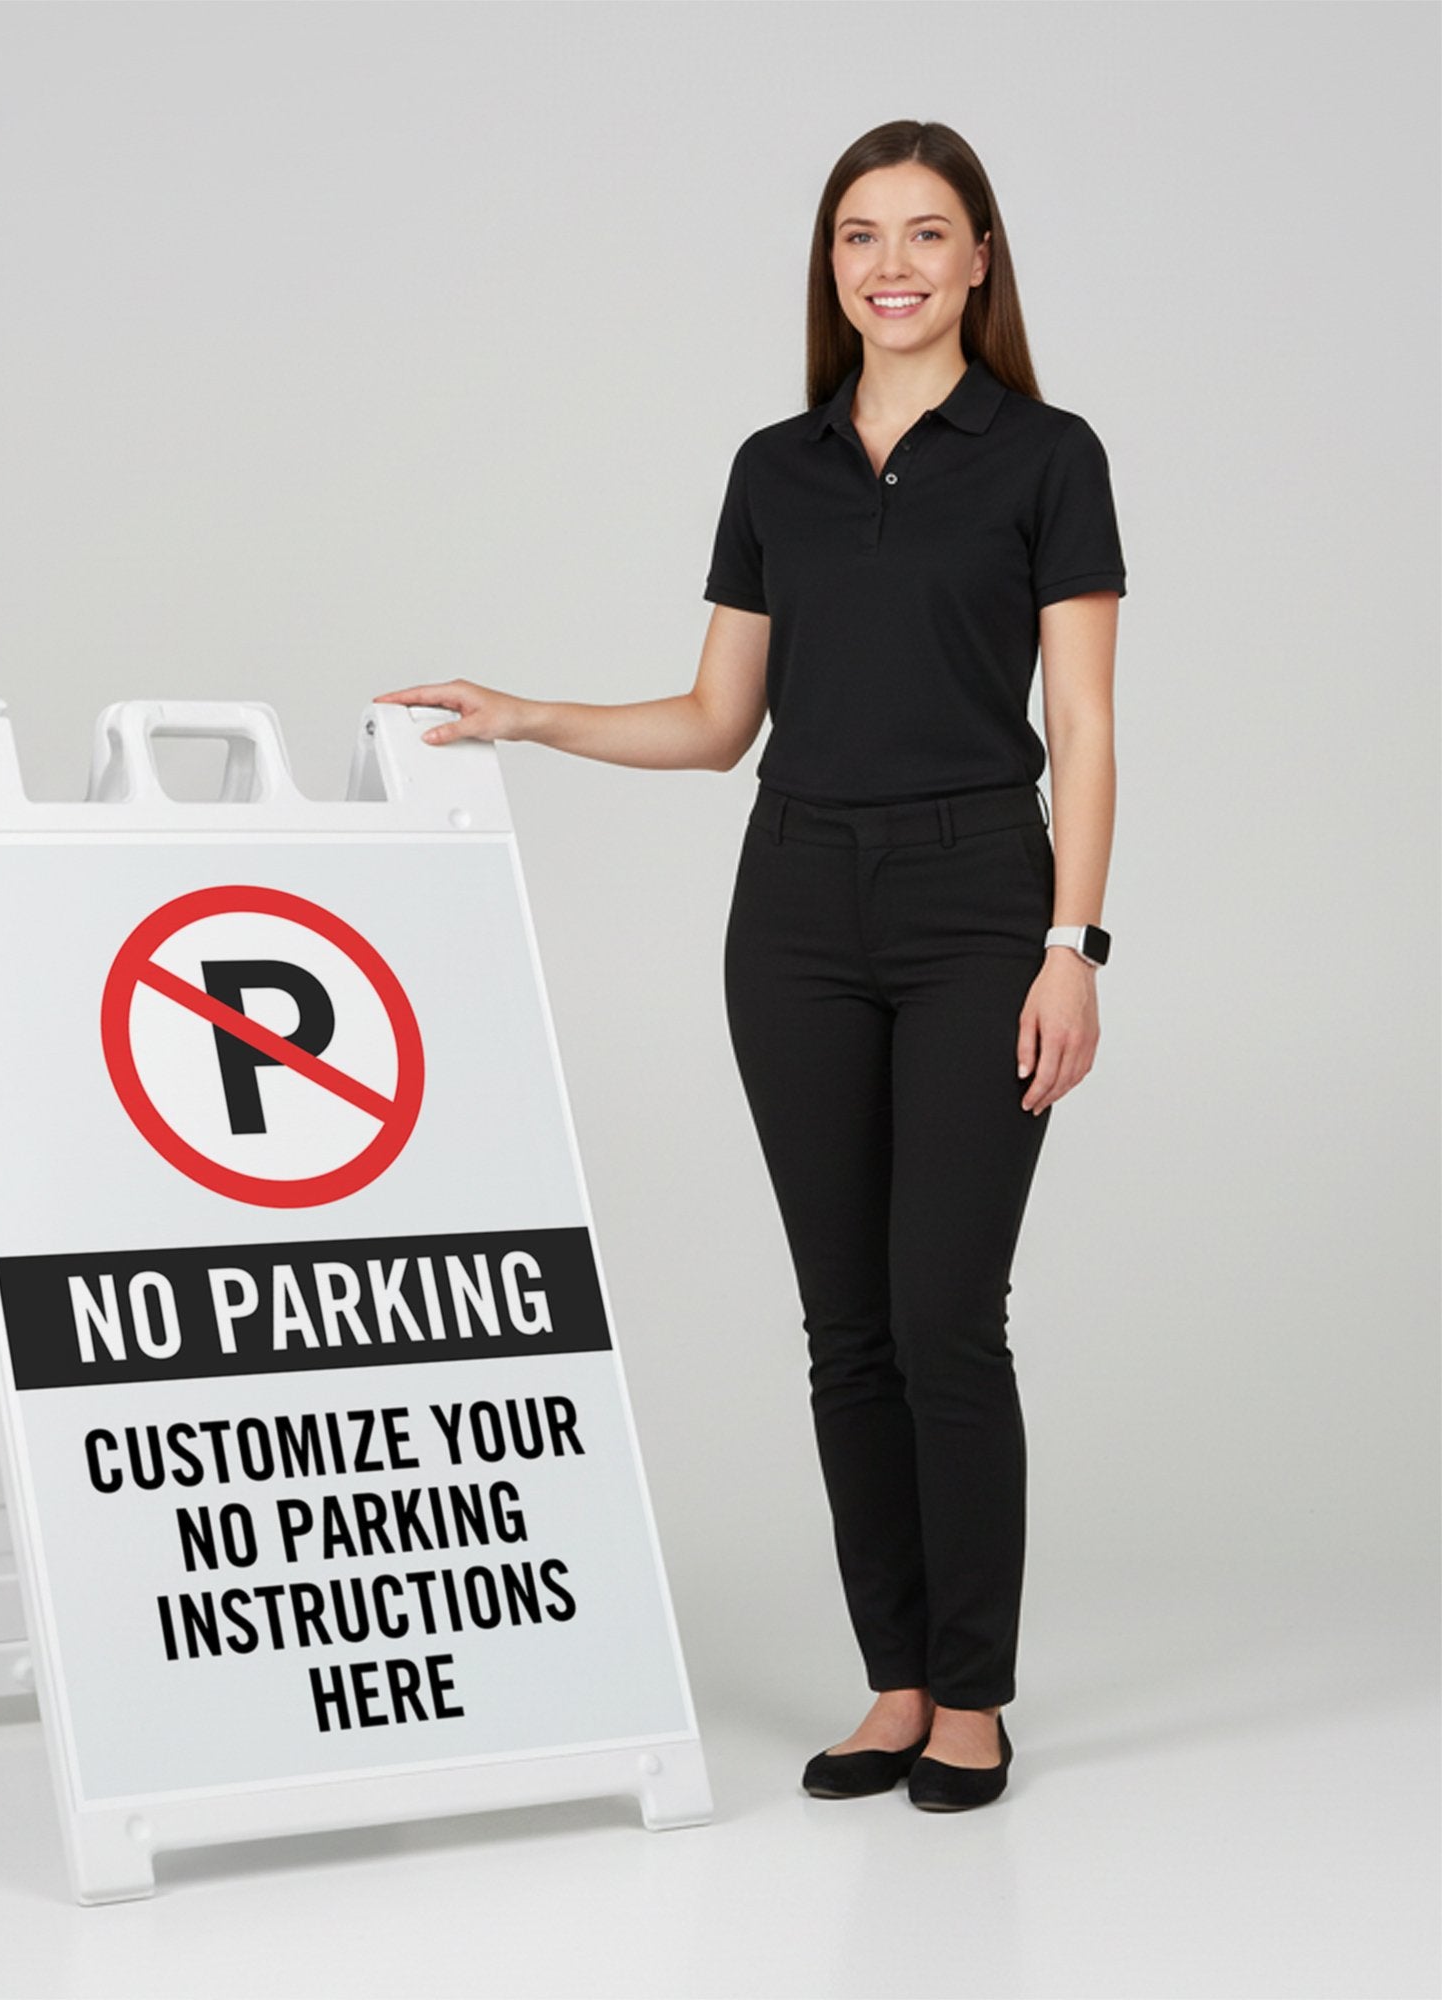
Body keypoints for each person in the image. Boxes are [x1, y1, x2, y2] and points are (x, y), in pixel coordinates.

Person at [375, 119, 1125, 1814]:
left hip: (974, 902)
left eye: (929, 234)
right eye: (862, 235)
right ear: (831, 265)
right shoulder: (774, 466)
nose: (894, 264)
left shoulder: (1045, 456)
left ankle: (978, 1699)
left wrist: (1070, 945)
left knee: (948, 1316)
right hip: (791, 906)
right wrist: (528, 716)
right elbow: (720, 723)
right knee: (845, 1324)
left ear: (981, 260)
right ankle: (899, 1678)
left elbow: (1078, 725)